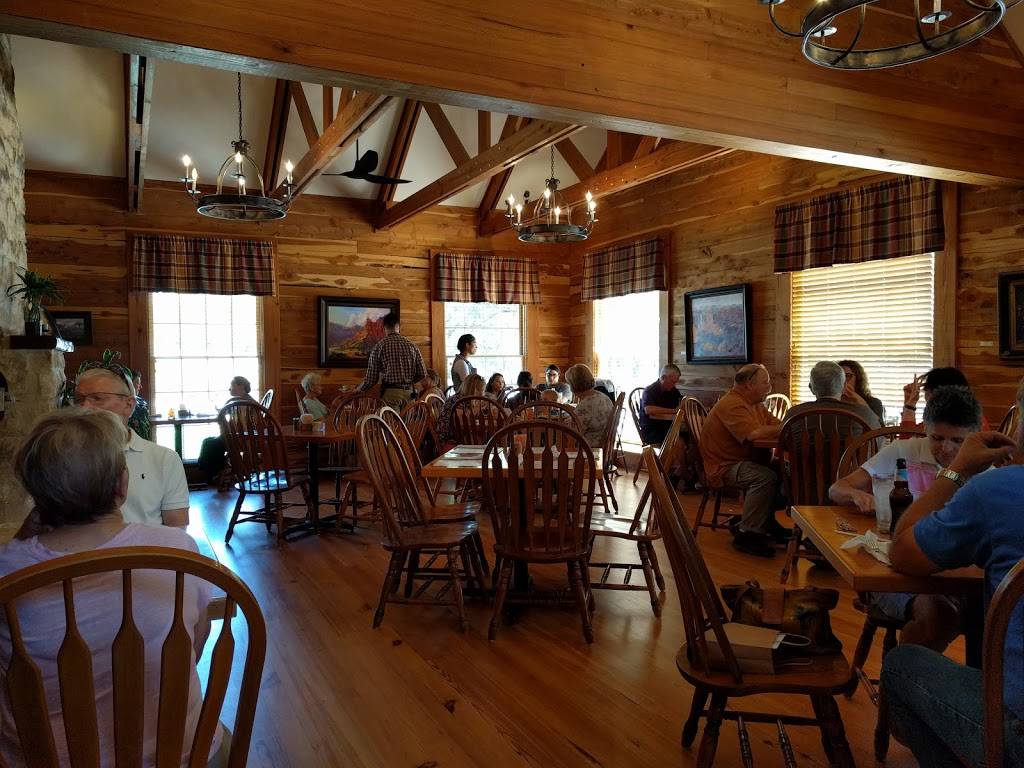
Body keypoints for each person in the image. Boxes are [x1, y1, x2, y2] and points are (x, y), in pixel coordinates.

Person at [1, 408, 223, 767]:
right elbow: (193, 647)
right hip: (178, 753)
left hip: (46, 758)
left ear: (34, 492)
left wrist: (20, 539)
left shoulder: (8, 570)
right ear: (122, 485)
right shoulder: (176, 550)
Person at [882, 381, 1024, 767]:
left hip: (1017, 733)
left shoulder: (997, 490)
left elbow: (902, 552)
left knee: (901, 664)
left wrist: (957, 470)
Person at [830, 386, 982, 652]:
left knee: (982, 613)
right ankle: (903, 675)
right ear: (925, 429)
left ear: (974, 437)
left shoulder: (982, 468)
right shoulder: (902, 451)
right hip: (893, 570)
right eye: (937, 438)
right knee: (939, 614)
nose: (946, 449)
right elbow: (836, 489)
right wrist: (855, 494)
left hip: (952, 573)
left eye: (958, 441)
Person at [73, 368, 189, 527]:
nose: (84, 406)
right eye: (79, 399)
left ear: (128, 405)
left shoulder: (163, 459)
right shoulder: (63, 457)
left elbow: (177, 528)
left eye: (97, 398)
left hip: (147, 543)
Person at [698, 364, 784, 558]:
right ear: (749, 385)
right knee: (765, 478)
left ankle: (763, 521)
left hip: (745, 461)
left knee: (785, 472)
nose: (770, 387)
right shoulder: (733, 404)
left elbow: (775, 424)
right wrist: (785, 427)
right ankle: (747, 534)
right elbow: (753, 434)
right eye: (766, 382)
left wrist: (782, 426)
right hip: (723, 467)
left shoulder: (755, 404)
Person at [357, 311, 430, 409]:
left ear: (384, 328)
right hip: (410, 394)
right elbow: (422, 373)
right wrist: (408, 382)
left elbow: (371, 379)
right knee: (408, 419)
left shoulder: (379, 346)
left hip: (390, 394)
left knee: (390, 419)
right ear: (399, 327)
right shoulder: (412, 346)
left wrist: (358, 389)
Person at [785, 361, 880, 430]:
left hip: (805, 454)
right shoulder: (864, 413)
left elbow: (783, 444)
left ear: (811, 388)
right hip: (852, 453)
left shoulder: (794, 413)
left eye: (848, 376)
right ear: (843, 386)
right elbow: (879, 439)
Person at [198, 377, 256, 486]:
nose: (230, 389)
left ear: (241, 386)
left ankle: (214, 475)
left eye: (232, 385)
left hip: (242, 439)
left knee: (210, 444)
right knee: (208, 441)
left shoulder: (243, 403)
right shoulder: (245, 401)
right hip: (242, 437)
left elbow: (243, 425)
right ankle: (215, 474)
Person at [565, 364, 613, 449]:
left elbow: (572, 434)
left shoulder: (585, 406)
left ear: (573, 385)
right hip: (604, 444)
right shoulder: (602, 396)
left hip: (588, 449)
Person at [639, 364, 683, 446]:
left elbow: (682, 401)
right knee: (678, 440)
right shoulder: (649, 390)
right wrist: (674, 411)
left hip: (666, 428)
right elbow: (648, 410)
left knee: (689, 435)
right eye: (673, 382)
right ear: (663, 378)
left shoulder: (672, 390)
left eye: (675, 382)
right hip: (652, 431)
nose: (674, 385)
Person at [437, 373, 485, 445]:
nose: (481, 393)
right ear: (469, 388)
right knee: (484, 440)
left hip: (462, 435)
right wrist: (477, 409)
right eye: (479, 390)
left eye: (482, 390)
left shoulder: (466, 399)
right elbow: (461, 424)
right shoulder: (457, 400)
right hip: (450, 439)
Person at [837, 359, 885, 424]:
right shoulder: (830, 401)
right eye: (839, 377)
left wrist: (861, 403)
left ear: (858, 379)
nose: (843, 381)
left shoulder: (873, 403)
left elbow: (880, 428)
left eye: (847, 376)